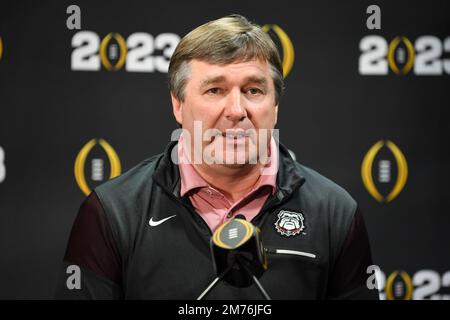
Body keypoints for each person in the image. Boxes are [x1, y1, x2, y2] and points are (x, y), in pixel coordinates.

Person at [56, 14, 379, 299]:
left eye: (253, 90)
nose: (237, 111)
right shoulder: (111, 212)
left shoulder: (336, 213)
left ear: (275, 107)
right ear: (178, 105)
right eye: (215, 90)